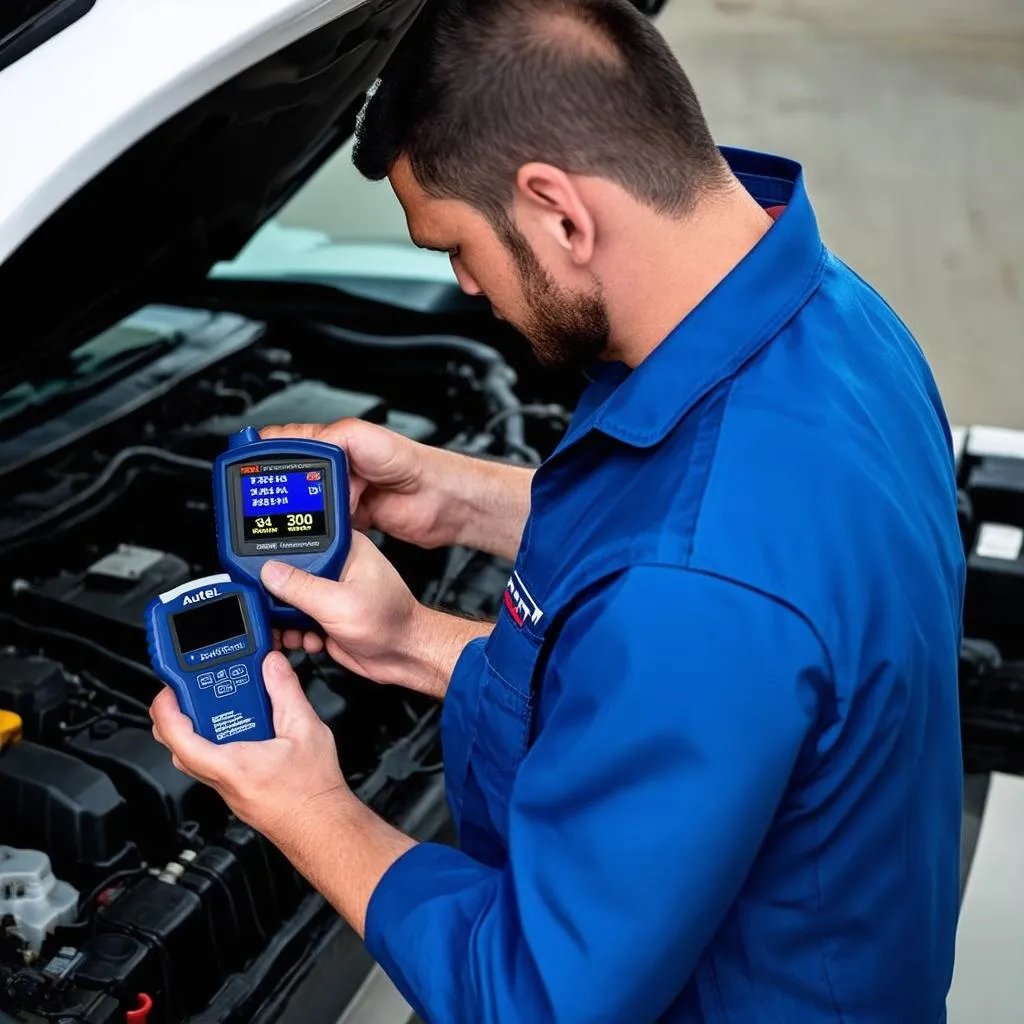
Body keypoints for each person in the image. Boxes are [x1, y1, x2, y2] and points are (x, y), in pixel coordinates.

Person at [150, 0, 966, 1020]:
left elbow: (529, 997)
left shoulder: (694, 596)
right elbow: (689, 544)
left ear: (558, 211)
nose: (463, 284)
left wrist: (304, 803)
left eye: (453, 243)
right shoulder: (837, 322)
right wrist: (446, 529)